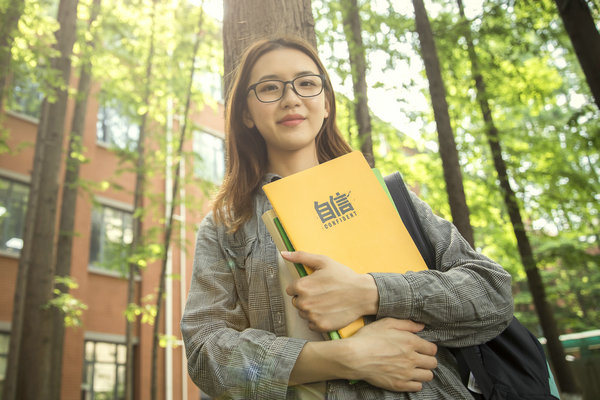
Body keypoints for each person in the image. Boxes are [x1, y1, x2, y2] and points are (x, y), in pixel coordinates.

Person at [181, 36, 514, 399]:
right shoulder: (226, 225)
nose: (291, 98)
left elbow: (492, 293)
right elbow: (206, 354)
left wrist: (369, 292)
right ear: (246, 113)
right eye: (270, 88)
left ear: (326, 103)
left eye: (306, 84)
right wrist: (344, 357)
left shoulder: (383, 196)